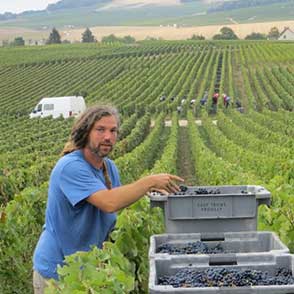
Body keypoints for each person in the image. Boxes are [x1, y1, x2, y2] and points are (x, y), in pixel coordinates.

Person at [32, 105, 184, 293]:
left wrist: (147, 196)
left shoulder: (109, 168)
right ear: (85, 132)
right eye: (100, 130)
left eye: (113, 131)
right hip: (57, 272)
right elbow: (109, 203)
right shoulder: (70, 166)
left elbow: (117, 203)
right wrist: (148, 182)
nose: (108, 137)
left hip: (89, 269)